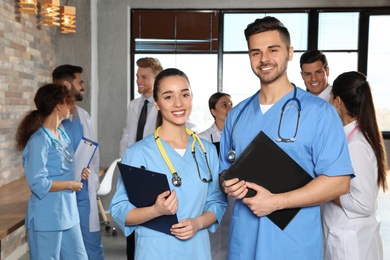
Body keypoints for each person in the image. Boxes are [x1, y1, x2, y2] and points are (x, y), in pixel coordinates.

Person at [219, 16, 354, 259]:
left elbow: (339, 182)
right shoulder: (236, 116)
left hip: (293, 244)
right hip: (244, 244)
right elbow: (223, 171)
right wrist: (226, 183)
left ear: (290, 53)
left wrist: (276, 202)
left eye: (273, 49)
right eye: (255, 52)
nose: (264, 59)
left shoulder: (319, 113)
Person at [110, 68, 227, 259]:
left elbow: (217, 201)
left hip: (196, 250)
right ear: (156, 103)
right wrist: (155, 210)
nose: (178, 103)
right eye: (168, 97)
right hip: (155, 250)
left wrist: (198, 223)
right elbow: (120, 210)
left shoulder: (207, 150)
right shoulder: (139, 153)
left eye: (184, 94)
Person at [15, 84, 88, 259]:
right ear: (58, 106)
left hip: (68, 213)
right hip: (47, 216)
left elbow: (63, 168)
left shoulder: (61, 134)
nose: (71, 107)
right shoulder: (39, 140)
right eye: (68, 102)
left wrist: (79, 173)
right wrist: (70, 184)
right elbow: (38, 183)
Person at [323, 71, 388, 260]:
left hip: (351, 243)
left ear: (338, 101)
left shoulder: (356, 145)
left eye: (331, 95)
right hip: (350, 236)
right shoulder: (352, 136)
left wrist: (328, 194)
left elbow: (365, 203)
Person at [52, 65, 104, 260]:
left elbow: (94, 154)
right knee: (63, 249)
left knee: (91, 244)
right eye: (80, 82)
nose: (83, 86)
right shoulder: (48, 118)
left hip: (83, 193)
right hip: (60, 194)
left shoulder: (83, 116)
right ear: (67, 84)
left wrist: (93, 183)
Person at [199, 92, 233, 260]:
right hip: (212, 194)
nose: (229, 108)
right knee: (215, 237)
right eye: (224, 105)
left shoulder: (238, 137)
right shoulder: (203, 139)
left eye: (230, 104)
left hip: (234, 193)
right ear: (213, 111)